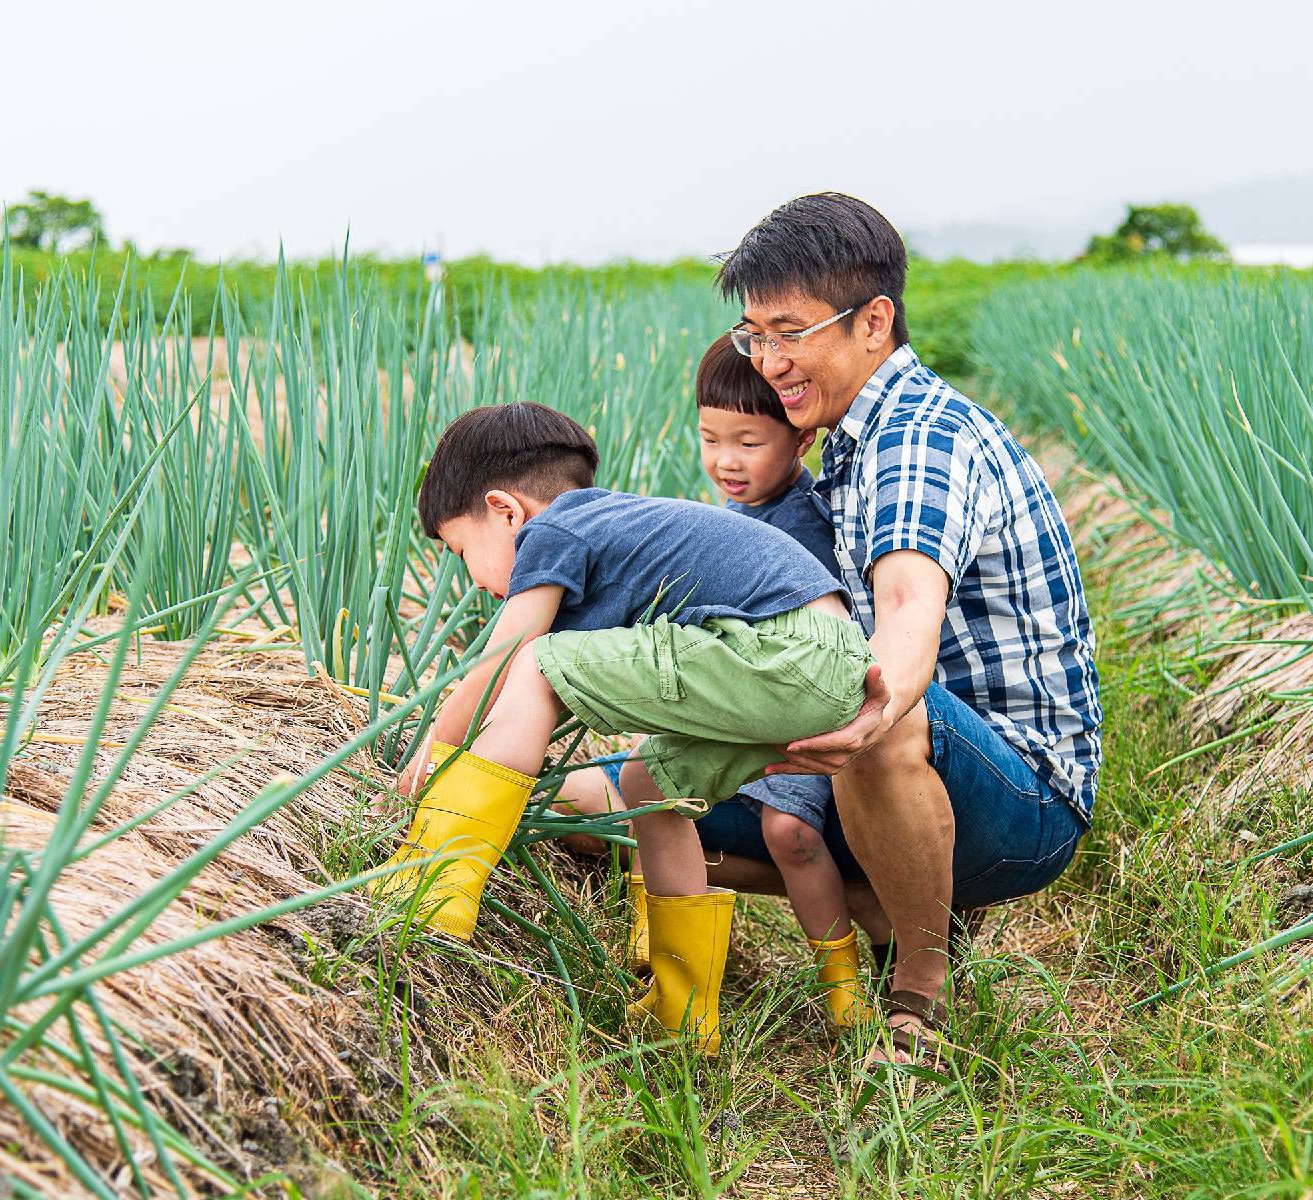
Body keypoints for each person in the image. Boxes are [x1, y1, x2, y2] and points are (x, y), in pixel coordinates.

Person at [705, 193, 1105, 1066]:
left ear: (874, 321)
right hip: (920, 780)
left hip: (1022, 797)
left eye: (789, 331)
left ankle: (919, 994)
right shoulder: (845, 438)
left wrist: (857, 716)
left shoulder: (916, 442)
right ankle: (888, 894)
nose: (768, 362)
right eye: (751, 336)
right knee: (603, 805)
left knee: (877, 706)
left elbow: (906, 615)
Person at [367, 401, 873, 1055]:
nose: (471, 578)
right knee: (647, 785)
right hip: (823, 665)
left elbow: (502, 663)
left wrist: (426, 758)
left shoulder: (562, 528)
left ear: (505, 511)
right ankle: (683, 1017)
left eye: (462, 551)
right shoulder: (605, 531)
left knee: (535, 667)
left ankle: (435, 891)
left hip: (785, 652)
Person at [558, 336, 877, 1027]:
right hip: (740, 703)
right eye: (710, 438)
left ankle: (843, 986)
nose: (726, 461)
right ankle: (673, 964)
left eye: (750, 442)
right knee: (649, 784)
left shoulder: (812, 522)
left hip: (805, 704)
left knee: (791, 829)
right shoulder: (726, 522)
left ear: (801, 442)